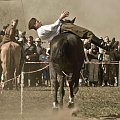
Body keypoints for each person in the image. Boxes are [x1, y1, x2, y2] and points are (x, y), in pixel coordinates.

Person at [28, 11, 116, 51]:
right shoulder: (41, 29)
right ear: (35, 25)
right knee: (88, 33)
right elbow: (53, 27)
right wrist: (61, 17)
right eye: (37, 21)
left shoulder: (40, 34)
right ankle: (106, 46)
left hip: (59, 34)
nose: (39, 21)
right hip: (63, 29)